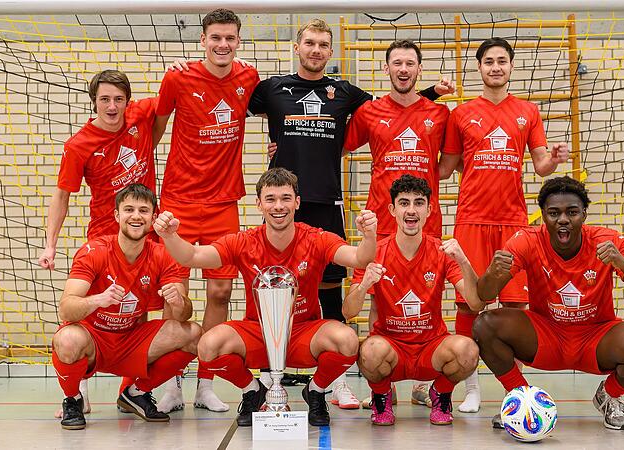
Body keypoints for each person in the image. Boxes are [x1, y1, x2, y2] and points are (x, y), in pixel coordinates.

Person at [246, 20, 455, 409]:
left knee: (330, 286)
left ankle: (336, 377)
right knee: (275, 285)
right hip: (283, 202)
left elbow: (395, 106)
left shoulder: (344, 93)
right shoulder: (273, 89)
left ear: (331, 52)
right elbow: (227, 97)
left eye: (324, 45)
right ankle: (270, 371)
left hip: (326, 200)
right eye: (309, 43)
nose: (316, 50)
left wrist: (430, 93)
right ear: (297, 47)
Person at [153, 167, 377, 427]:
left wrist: (369, 235)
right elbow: (191, 257)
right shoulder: (244, 241)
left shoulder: (316, 238)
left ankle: (315, 391)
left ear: (297, 202)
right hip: (257, 332)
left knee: (347, 340)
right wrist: (169, 236)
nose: (278, 206)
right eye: (270, 199)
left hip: (303, 331)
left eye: (285, 198)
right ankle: (253, 390)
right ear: (259, 204)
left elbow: (360, 257)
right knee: (208, 345)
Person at [440, 37, 570, 413]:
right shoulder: (461, 114)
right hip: (471, 221)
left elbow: (541, 165)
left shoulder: (528, 111)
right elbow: (446, 167)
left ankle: (513, 393)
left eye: (502, 61)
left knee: (514, 307)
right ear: (478, 68)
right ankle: (471, 389)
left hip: (513, 222)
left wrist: (556, 159)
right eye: (488, 62)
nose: (495, 67)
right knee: (468, 305)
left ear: (511, 67)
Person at [473, 176, 624, 430]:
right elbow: (484, 295)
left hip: (596, 335)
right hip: (546, 333)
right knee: (485, 325)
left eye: (572, 212)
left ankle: (609, 396)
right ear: (543, 216)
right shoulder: (526, 240)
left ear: (584, 214)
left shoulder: (608, 241)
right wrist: (492, 273)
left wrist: (622, 263)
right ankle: (523, 399)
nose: (563, 219)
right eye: (553, 213)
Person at [152, 8, 260, 413]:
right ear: (202, 40)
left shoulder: (247, 78)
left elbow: (276, 114)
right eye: (216, 37)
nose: (223, 45)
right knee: (173, 295)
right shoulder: (178, 77)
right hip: (178, 201)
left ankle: (206, 384)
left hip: (223, 204)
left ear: (238, 41)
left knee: (220, 290)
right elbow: (157, 128)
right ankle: (171, 384)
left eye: (230, 38)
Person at [39, 69, 164, 416]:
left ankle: (130, 389)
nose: (112, 106)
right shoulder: (79, 144)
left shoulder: (141, 114)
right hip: (106, 235)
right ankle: (77, 388)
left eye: (119, 99)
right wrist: (51, 244)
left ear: (129, 101)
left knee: (139, 309)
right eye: (105, 99)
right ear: (94, 101)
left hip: (146, 230)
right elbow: (61, 195)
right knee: (94, 310)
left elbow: (172, 103)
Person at [342, 39, 457, 406]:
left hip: (425, 221)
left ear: (419, 70)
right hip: (381, 220)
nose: (403, 69)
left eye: (410, 63)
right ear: (387, 69)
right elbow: (339, 147)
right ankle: (385, 381)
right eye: (397, 64)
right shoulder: (369, 113)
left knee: (427, 293)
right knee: (377, 293)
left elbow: (449, 162)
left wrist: (427, 189)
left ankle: (424, 380)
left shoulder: (439, 115)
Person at [52, 183, 202, 430]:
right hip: (94, 340)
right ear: (116, 215)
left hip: (131, 340)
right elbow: (66, 309)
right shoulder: (94, 251)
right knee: (67, 339)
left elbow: (184, 314)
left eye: (143, 211)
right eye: (129, 209)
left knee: (194, 335)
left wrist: (179, 301)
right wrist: (98, 299)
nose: (136, 216)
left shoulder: (163, 254)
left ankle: (135, 392)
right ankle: (73, 399)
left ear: (153, 218)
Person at [343, 174, 483, 426]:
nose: (411, 210)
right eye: (404, 203)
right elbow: (348, 312)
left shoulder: (442, 252)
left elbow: (475, 304)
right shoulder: (374, 254)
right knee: (369, 351)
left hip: (431, 349)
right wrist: (364, 285)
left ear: (429, 210)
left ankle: (441, 393)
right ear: (392, 209)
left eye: (418, 203)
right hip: (391, 349)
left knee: (468, 350)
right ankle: (381, 395)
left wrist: (464, 261)